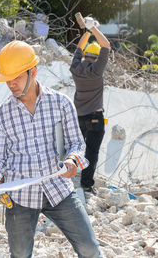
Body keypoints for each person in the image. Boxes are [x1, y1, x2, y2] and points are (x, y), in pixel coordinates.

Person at [0, 40, 102, 258]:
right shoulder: (1, 116)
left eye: (16, 77)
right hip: (20, 197)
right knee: (20, 254)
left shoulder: (61, 104)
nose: (11, 84)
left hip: (58, 190)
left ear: (33, 72)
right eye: (7, 79)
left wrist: (73, 161)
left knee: (90, 249)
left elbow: (77, 144)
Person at [69, 17, 111, 194]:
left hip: (77, 117)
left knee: (74, 150)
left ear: (86, 55)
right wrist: (94, 28)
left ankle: (66, 180)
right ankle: (86, 184)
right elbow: (106, 45)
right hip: (95, 117)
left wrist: (87, 31)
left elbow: (78, 47)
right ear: (96, 57)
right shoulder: (96, 70)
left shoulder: (76, 68)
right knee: (91, 152)